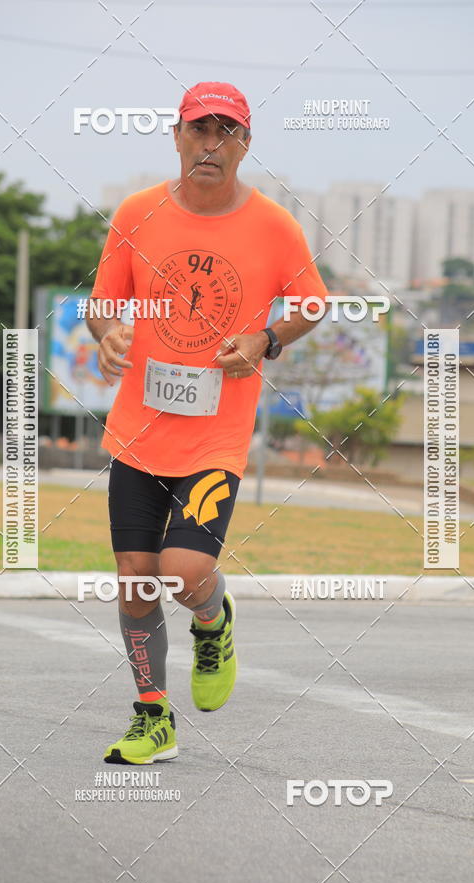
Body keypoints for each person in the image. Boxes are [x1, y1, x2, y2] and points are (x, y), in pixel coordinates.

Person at [86, 81, 327, 764]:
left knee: (184, 570)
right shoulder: (137, 212)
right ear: (177, 136)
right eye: (199, 129)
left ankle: (213, 620)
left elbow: (312, 304)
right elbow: (103, 304)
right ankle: (152, 715)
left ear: (246, 145)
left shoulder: (274, 226)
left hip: (216, 437)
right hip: (138, 430)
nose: (211, 144)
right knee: (136, 576)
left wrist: (266, 340)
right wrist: (107, 335)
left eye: (227, 132)